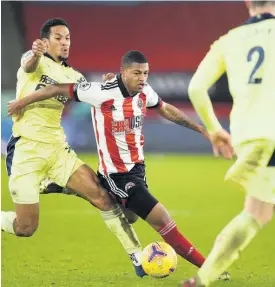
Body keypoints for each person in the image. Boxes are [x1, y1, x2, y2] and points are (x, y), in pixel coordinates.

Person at [7, 50, 232, 279]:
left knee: (131, 216)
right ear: (123, 72)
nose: (142, 78)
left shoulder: (145, 91)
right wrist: (21, 103)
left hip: (137, 170)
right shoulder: (99, 92)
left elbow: (165, 109)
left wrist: (203, 129)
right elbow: (55, 88)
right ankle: (208, 268)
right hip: (117, 176)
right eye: (136, 73)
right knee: (162, 219)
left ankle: (65, 187)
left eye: (145, 73)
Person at [1, 18, 147, 277]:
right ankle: (47, 183)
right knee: (26, 227)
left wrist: (111, 84)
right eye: (58, 37)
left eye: (67, 38)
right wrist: (35, 54)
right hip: (26, 152)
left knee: (103, 197)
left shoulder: (75, 77)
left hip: (58, 150)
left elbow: (98, 98)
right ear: (45, 41)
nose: (65, 42)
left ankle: (138, 256)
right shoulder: (33, 60)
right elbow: (28, 63)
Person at [178, 1, 275, 286]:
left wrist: (215, 130)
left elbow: (195, 87)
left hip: (248, 134)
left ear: (247, 2)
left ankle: (203, 278)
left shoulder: (228, 41)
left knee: (256, 212)